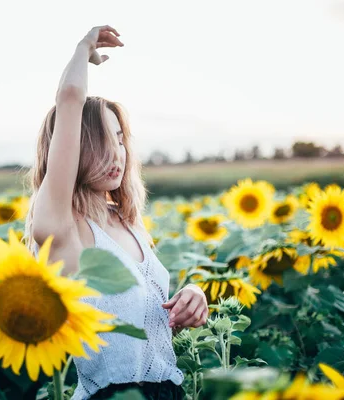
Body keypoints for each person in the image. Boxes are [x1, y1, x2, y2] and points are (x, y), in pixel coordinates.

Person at [24, 25, 208, 400]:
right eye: (101, 142)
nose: (117, 154)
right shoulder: (63, 229)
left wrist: (191, 297)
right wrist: (82, 50)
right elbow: (71, 99)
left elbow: (138, 329)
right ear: (72, 150)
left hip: (168, 391)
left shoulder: (125, 221)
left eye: (121, 140)